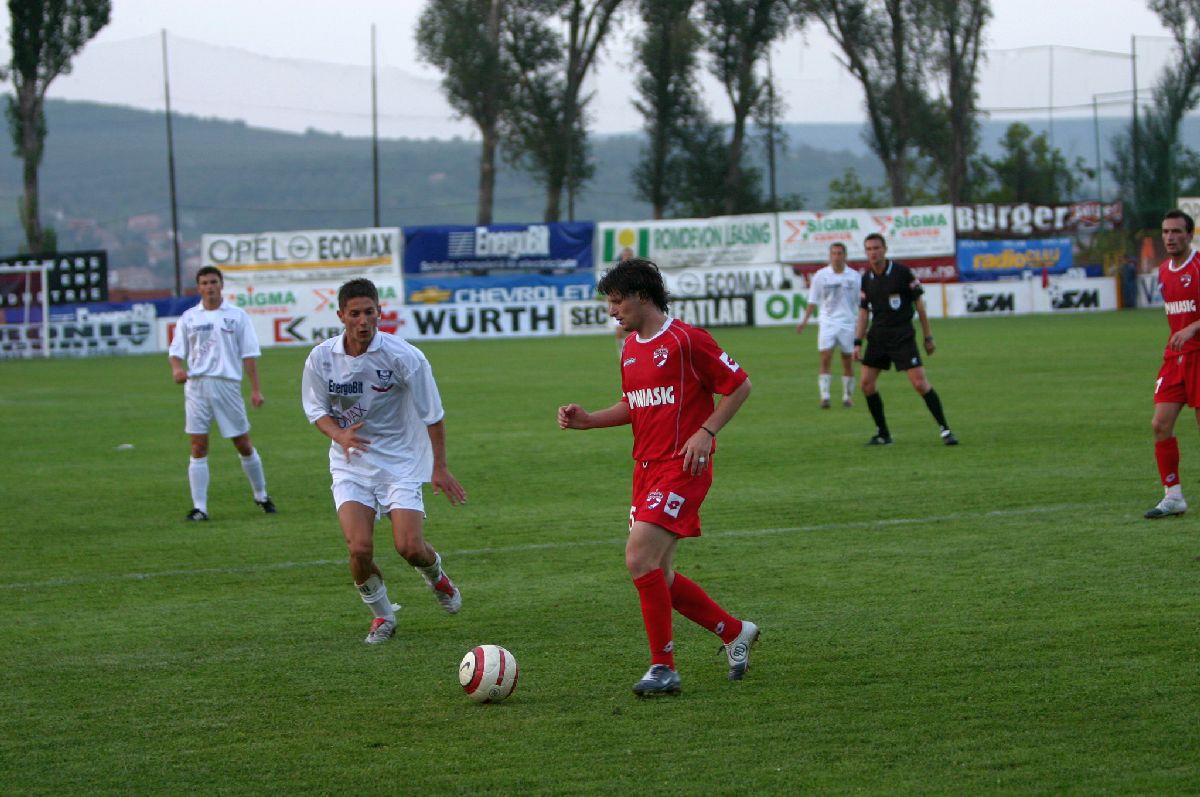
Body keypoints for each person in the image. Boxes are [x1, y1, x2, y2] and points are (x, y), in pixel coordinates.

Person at [557, 258, 759, 697]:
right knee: (658, 575)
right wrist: (588, 420)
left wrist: (706, 433)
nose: (612, 311)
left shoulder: (688, 340)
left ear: (642, 296)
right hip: (645, 471)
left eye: (616, 301)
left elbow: (739, 385)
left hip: (682, 468)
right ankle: (734, 631)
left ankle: (663, 667)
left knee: (638, 558)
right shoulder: (630, 348)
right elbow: (636, 405)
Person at [301, 277, 467, 644]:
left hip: (401, 462)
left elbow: (433, 414)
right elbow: (315, 410)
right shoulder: (321, 358)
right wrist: (340, 435)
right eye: (356, 313)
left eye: (370, 312)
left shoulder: (404, 356)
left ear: (380, 312)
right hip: (351, 463)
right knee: (359, 549)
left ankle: (435, 575)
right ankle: (383, 616)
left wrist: (438, 467)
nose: (364, 320)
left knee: (409, 547)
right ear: (341, 315)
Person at [168, 265, 275, 521]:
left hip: (227, 385)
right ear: (199, 287)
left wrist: (256, 390)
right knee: (198, 445)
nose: (209, 287)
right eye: (204, 283)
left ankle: (261, 494)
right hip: (196, 387)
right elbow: (175, 352)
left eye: (213, 282)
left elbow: (249, 355)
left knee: (243, 443)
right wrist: (177, 369)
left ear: (221, 285)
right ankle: (200, 507)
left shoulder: (237, 316)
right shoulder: (189, 317)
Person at [853, 232, 958, 446]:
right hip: (878, 337)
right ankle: (883, 433)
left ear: (885, 249)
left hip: (902, 335)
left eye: (876, 248)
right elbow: (864, 312)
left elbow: (920, 305)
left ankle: (945, 429)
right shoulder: (866, 279)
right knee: (866, 384)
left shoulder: (902, 273)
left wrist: (928, 337)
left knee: (920, 384)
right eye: (869, 249)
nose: (873, 253)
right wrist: (857, 342)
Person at [1145, 209, 1199, 519]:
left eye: (1177, 231)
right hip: (1176, 357)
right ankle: (1173, 495)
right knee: (1159, 424)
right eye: (1166, 232)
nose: (1170, 237)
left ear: (1190, 235)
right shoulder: (1164, 271)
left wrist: (1193, 327)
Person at [796, 242, 860, 408]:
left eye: (840, 253)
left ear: (845, 256)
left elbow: (860, 303)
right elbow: (812, 300)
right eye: (834, 253)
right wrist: (804, 321)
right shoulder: (820, 275)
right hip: (827, 323)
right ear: (829, 256)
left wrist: (862, 326)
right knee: (825, 358)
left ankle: (847, 397)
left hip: (848, 323)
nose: (837, 256)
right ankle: (825, 397)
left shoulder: (854, 276)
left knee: (847, 360)